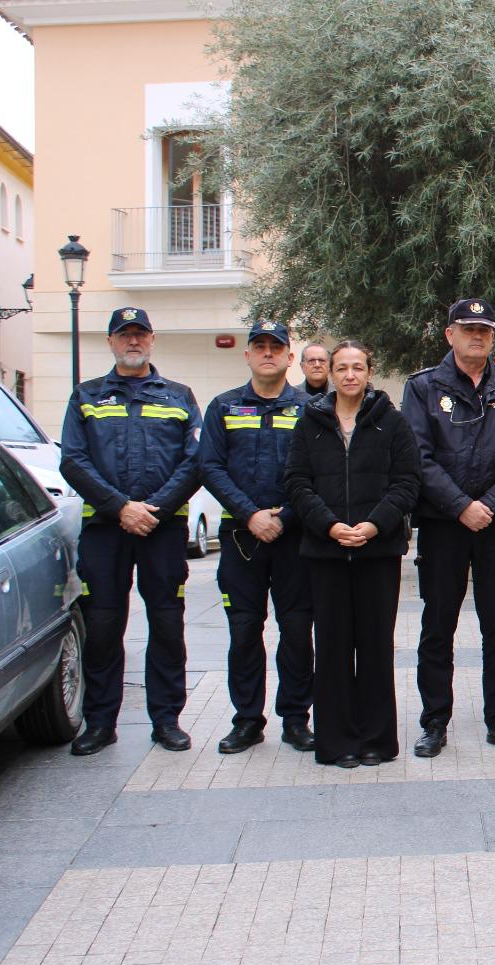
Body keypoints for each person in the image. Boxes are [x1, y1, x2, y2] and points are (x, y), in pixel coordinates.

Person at [403, 298, 495, 758]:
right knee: (437, 627)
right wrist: (462, 505)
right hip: (444, 525)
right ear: (450, 334)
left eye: (485, 330)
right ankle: (434, 721)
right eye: (468, 329)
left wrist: (491, 505)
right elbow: (418, 457)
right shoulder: (423, 387)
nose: (477, 336)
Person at [60, 307, 202, 756]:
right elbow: (73, 460)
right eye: (124, 335)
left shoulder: (179, 396)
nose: (133, 341)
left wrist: (154, 509)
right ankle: (100, 723)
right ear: (111, 343)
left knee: (166, 625)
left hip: (163, 529)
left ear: (152, 340)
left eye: (140, 334)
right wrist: (120, 507)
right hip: (106, 529)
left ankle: (167, 721)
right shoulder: (86, 396)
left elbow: (196, 461)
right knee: (103, 627)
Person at [285, 341, 420, 767]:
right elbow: (297, 482)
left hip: (377, 552)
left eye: (357, 367)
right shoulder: (310, 422)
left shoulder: (392, 422)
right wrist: (329, 525)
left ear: (369, 372)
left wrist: (374, 524)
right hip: (326, 553)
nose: (349, 375)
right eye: (341, 367)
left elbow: (407, 482)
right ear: (330, 373)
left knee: (376, 648)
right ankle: (338, 742)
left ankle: (377, 740)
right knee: (332, 648)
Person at [199, 320, 315, 755]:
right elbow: (210, 467)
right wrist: (250, 515)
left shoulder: (310, 409)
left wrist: (285, 515)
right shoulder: (223, 406)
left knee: (297, 630)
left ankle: (295, 719)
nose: (268, 353)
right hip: (241, 539)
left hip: (294, 537)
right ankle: (247, 720)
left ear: (289, 357)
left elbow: (318, 471)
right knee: (245, 631)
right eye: (260, 346)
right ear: (247, 355)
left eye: (276, 347)